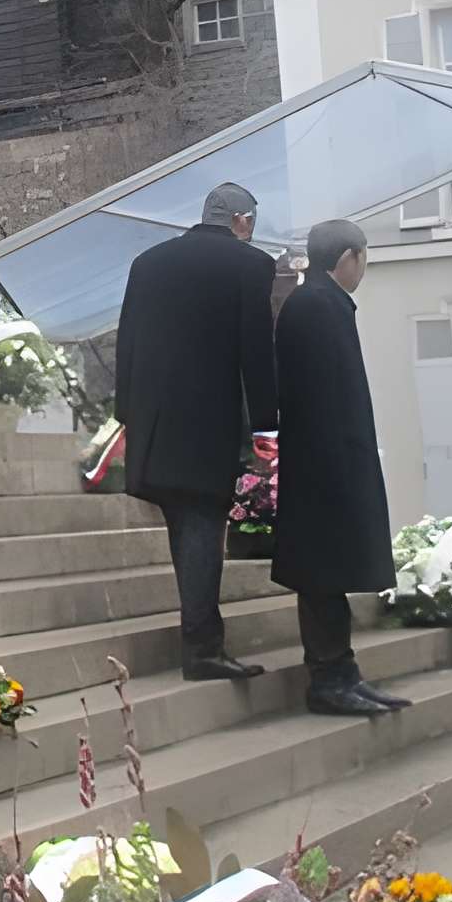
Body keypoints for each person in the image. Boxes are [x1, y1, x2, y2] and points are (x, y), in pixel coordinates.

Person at [113, 181, 279, 681]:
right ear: (243, 221)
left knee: (183, 527)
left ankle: (199, 635)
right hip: (208, 426)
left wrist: (127, 416)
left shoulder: (148, 264)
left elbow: (127, 342)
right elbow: (256, 351)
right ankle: (203, 649)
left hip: (155, 426)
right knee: (205, 527)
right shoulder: (251, 266)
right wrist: (267, 424)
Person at [271, 219, 408, 719]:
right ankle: (329, 679)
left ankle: (342, 674)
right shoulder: (317, 305)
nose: (364, 268)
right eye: (363, 258)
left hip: (326, 461)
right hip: (325, 466)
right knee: (323, 575)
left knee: (328, 576)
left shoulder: (319, 303)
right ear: (348, 258)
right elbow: (325, 396)